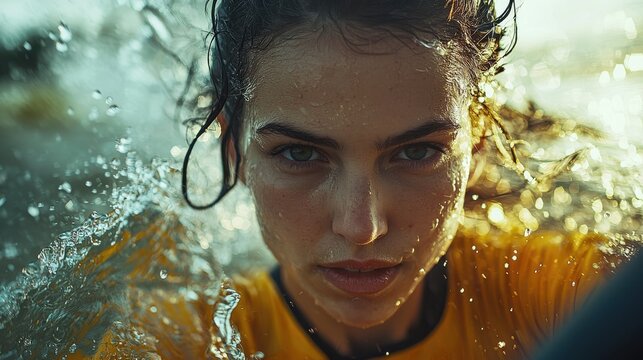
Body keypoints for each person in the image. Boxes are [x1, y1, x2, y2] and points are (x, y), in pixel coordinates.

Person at [75, 0, 627, 359]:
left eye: (417, 152)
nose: (361, 227)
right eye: (298, 153)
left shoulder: (556, 293)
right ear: (233, 150)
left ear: (477, 139)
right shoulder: (179, 341)